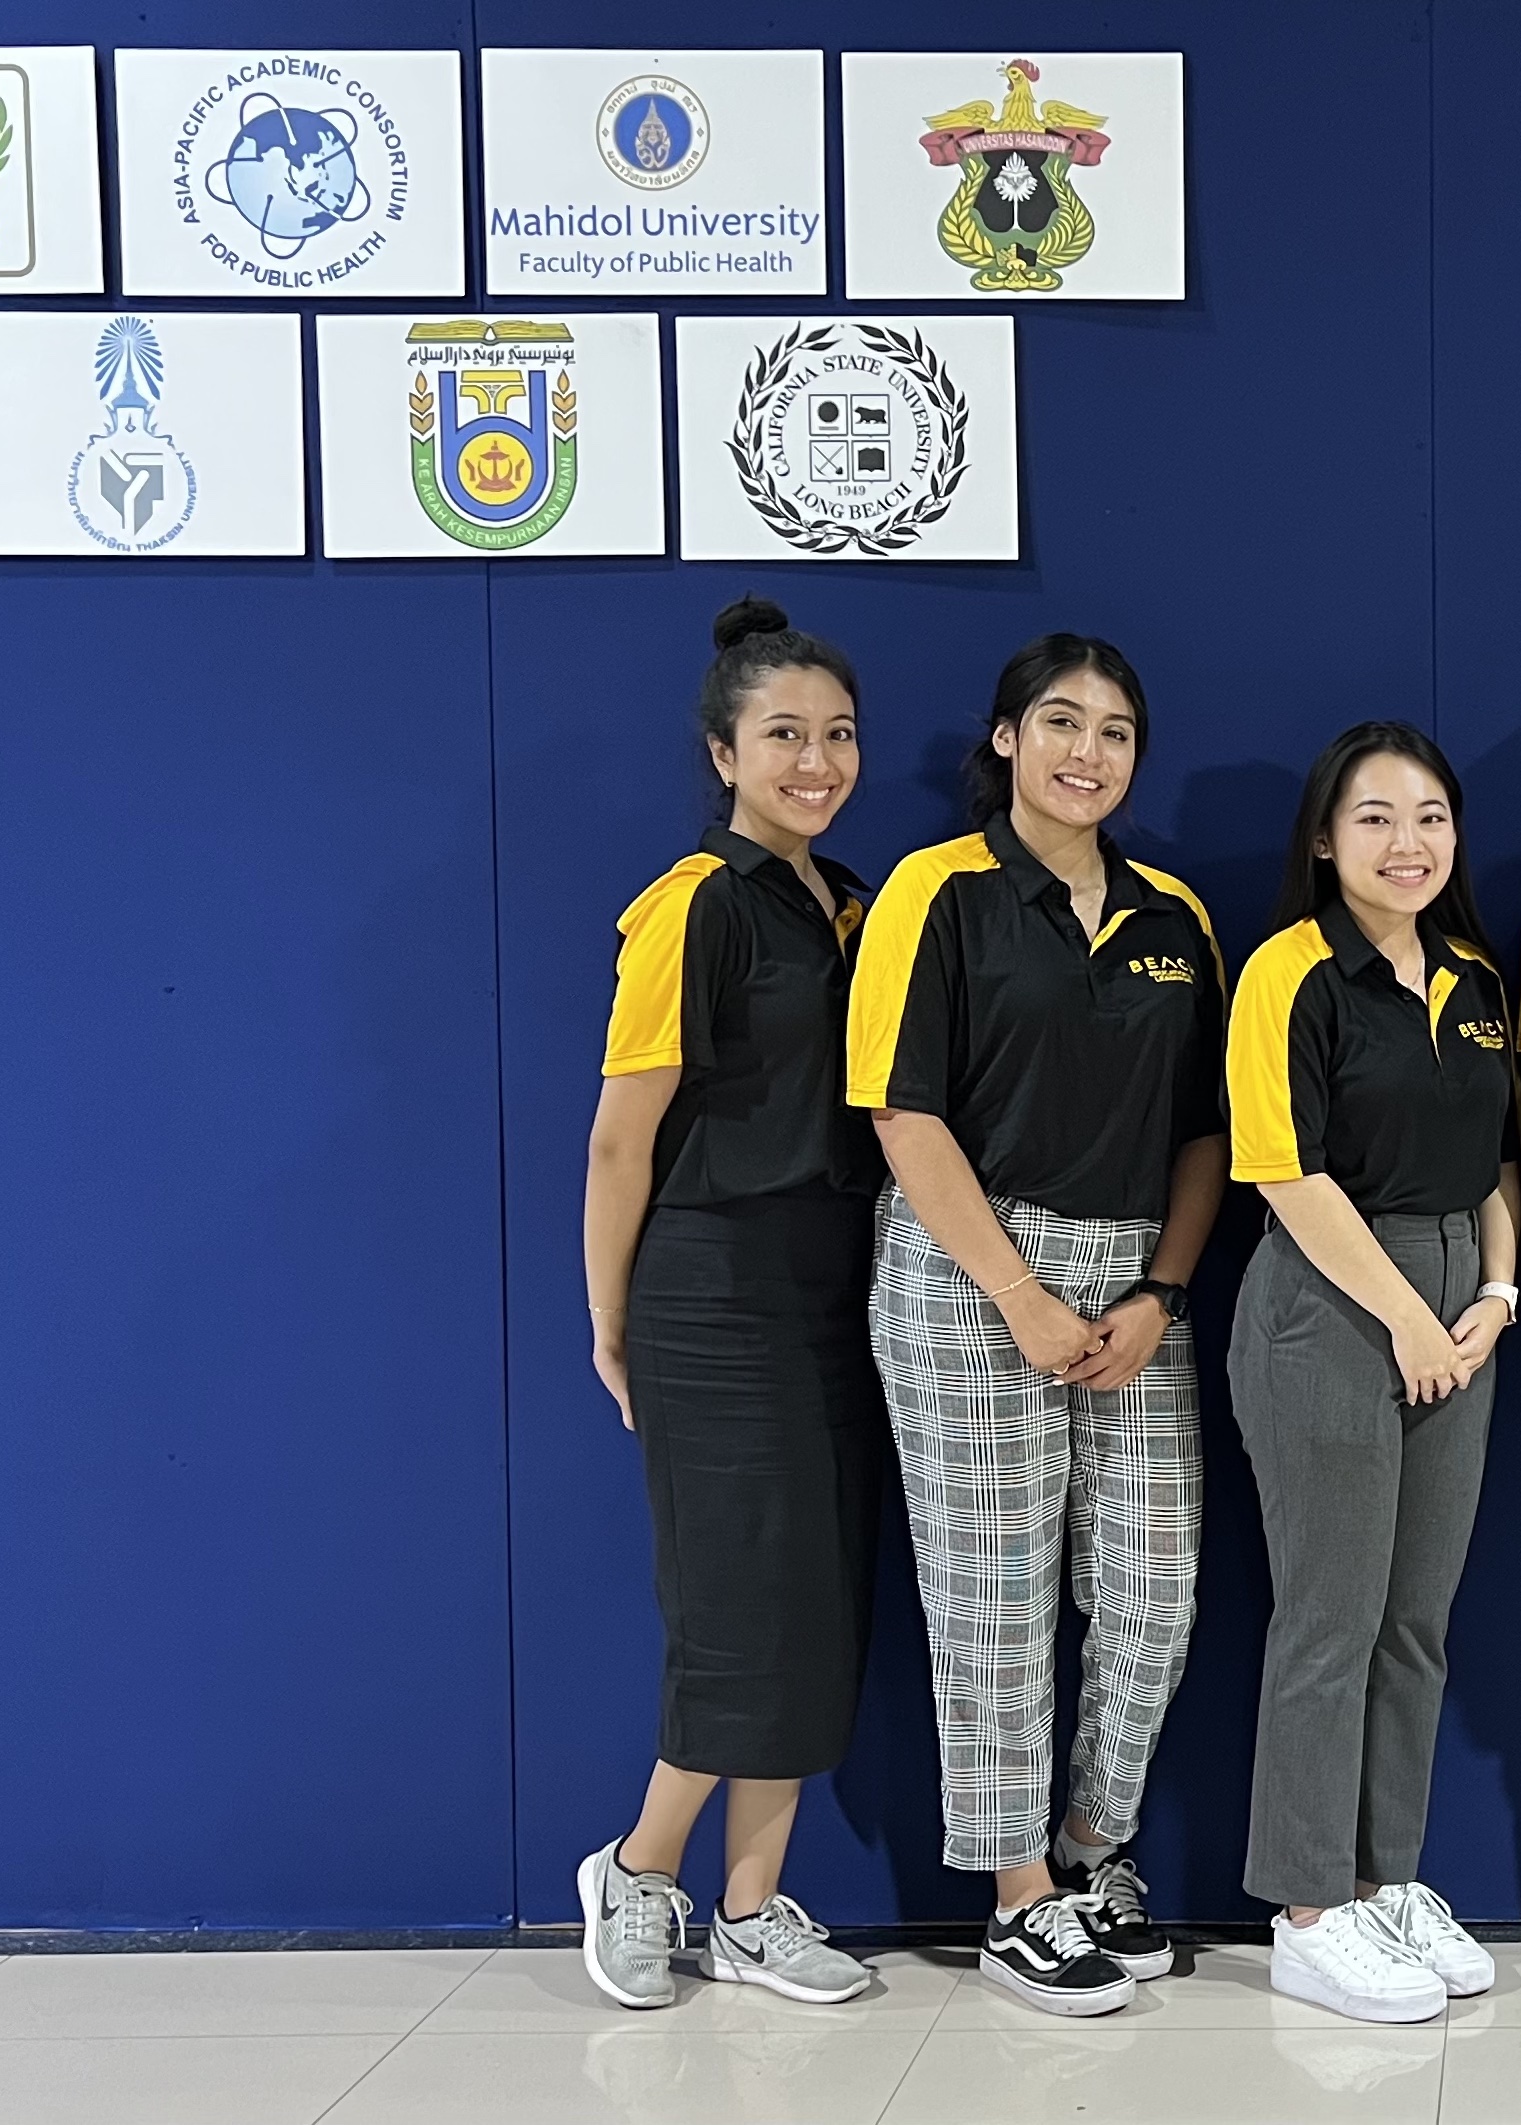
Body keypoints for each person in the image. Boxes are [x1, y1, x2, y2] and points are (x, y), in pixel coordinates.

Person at [846, 635, 1228, 2017]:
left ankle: (1086, 1848)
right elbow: (901, 1107)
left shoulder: (1175, 912)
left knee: (1150, 1592)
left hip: (1133, 1283)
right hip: (966, 1271)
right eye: (1059, 722)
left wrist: (1156, 1293)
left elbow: (1205, 1130)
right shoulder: (932, 890)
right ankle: (1013, 1893)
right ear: (1005, 737)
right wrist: (1015, 1293)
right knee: (993, 1599)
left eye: (1115, 730)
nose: (1087, 751)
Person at [574, 597, 887, 2012]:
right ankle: (639, 1869)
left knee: (815, 1600)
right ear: (723, 751)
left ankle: (752, 1908)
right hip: (709, 1282)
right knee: (737, 1602)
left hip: (838, 1283)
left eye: (835, 735)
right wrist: (612, 1317)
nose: (814, 761)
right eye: (783, 736)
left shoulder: (857, 905)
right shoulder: (693, 901)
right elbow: (620, 1136)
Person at [1223, 722, 1521, 2024]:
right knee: (1328, 1617)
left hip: (1462, 1298)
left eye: (1430, 817)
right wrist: (1407, 1313)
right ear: (1322, 837)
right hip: (1333, 1301)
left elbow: (1497, 1160)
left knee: (1414, 1620)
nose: (1406, 843)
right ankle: (1304, 1906)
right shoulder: (1289, 973)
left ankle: (1381, 1873)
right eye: (1374, 817)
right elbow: (1286, 1169)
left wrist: (1499, 1295)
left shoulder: (1470, 974)